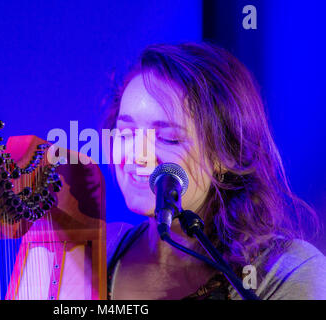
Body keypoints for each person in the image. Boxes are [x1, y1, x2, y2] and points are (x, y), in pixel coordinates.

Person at [103, 42, 326, 300]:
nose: (136, 155)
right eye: (126, 133)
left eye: (168, 138)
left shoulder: (287, 272)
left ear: (225, 156)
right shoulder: (101, 250)